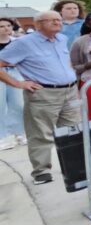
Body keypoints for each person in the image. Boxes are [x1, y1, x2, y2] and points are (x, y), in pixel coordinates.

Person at [0, 10, 81, 184]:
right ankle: (41, 171)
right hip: (44, 94)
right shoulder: (23, 43)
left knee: (72, 131)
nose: (57, 23)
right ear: (38, 24)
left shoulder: (62, 39)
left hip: (69, 92)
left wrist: (72, 79)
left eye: (59, 20)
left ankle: (75, 167)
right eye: (51, 20)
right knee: (41, 133)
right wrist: (18, 83)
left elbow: (65, 62)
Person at [0, 18, 26, 150]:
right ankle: (2, 137)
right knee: (0, 105)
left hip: (15, 72)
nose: (5, 28)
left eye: (8, 25)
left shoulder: (17, 42)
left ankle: (19, 132)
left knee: (19, 104)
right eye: (2, 26)